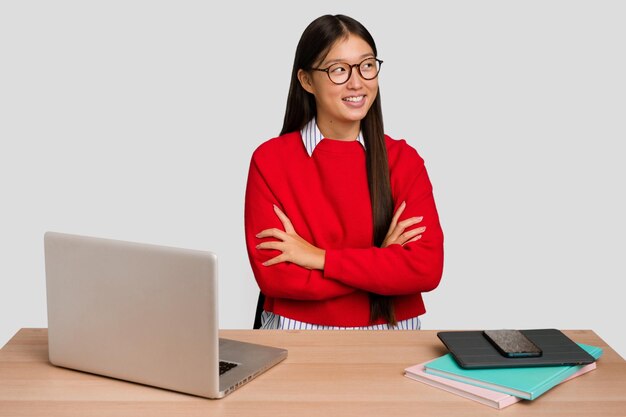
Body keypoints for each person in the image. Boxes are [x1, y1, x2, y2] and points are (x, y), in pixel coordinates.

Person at [244, 14, 444, 330]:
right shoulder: (270, 161)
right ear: (307, 80)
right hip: (296, 334)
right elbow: (277, 277)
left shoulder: (403, 160)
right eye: (338, 70)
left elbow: (426, 269)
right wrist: (381, 262)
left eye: (366, 65)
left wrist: (319, 258)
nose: (356, 82)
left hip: (392, 336)